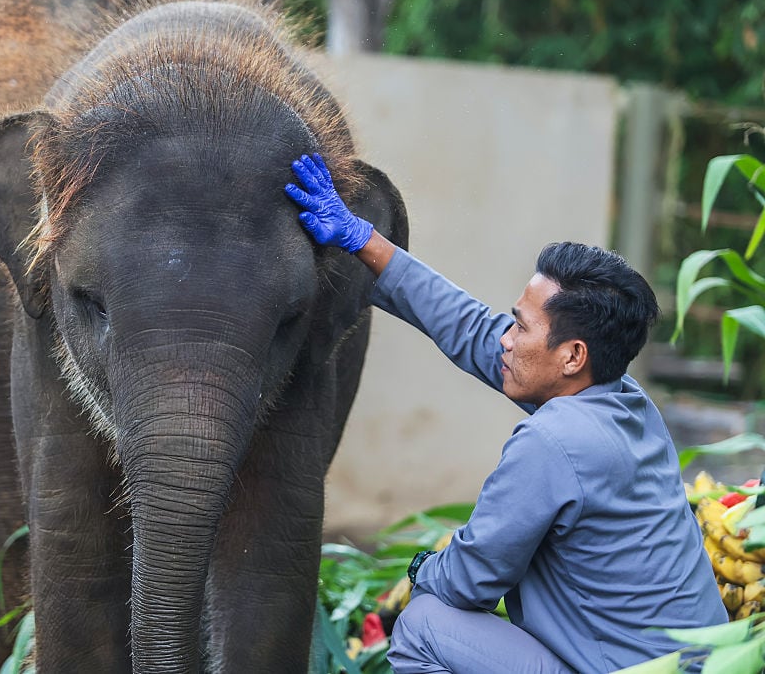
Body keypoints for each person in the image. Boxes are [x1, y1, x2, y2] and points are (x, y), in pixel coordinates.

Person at [284, 154, 728, 673]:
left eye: (519, 326)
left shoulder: (554, 441)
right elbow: (473, 328)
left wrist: (423, 570)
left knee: (425, 624)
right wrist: (364, 240)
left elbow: (470, 580)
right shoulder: (625, 401)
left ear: (572, 356)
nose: (506, 339)